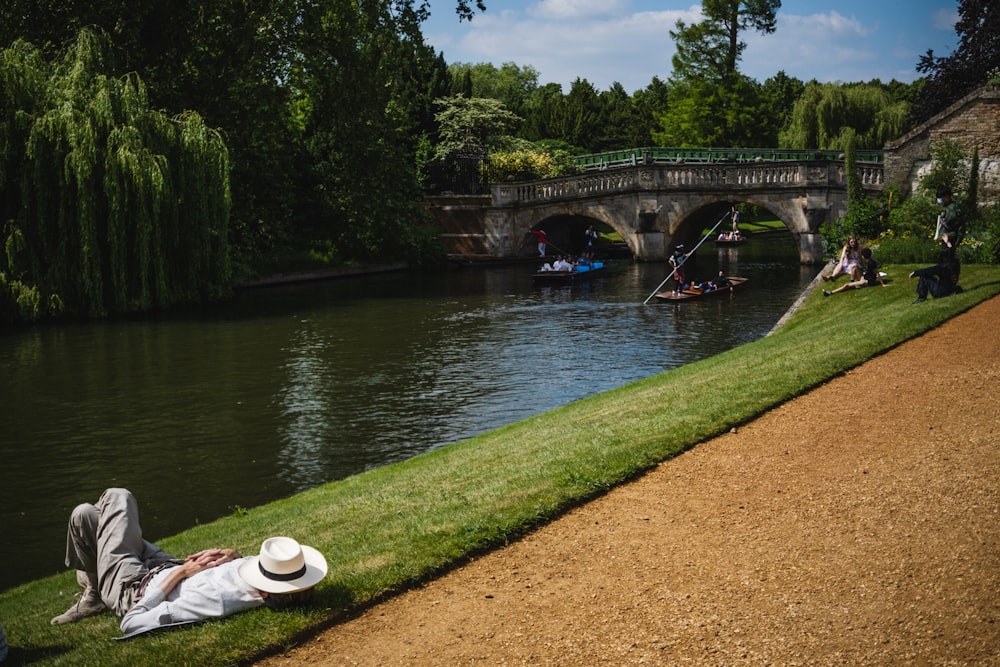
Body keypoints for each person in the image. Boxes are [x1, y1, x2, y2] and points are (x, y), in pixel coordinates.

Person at [51, 488, 327, 638]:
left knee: (116, 498)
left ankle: (97, 593)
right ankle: (96, 586)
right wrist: (232, 558)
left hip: (133, 587)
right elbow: (257, 566)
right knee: (85, 517)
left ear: (265, 591)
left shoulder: (216, 600)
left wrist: (182, 573)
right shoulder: (273, 572)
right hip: (165, 565)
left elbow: (132, 623)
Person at [909, 234, 961, 303]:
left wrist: (915, 273)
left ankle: (921, 297)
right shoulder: (956, 265)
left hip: (940, 293)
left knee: (924, 276)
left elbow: (928, 271)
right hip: (950, 289)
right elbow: (952, 253)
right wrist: (948, 243)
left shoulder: (942, 267)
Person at [823, 247, 888, 296]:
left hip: (867, 282)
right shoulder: (868, 261)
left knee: (847, 285)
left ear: (863, 256)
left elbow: (877, 273)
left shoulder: (871, 263)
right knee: (854, 267)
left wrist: (883, 284)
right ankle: (853, 283)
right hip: (865, 277)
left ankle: (831, 292)